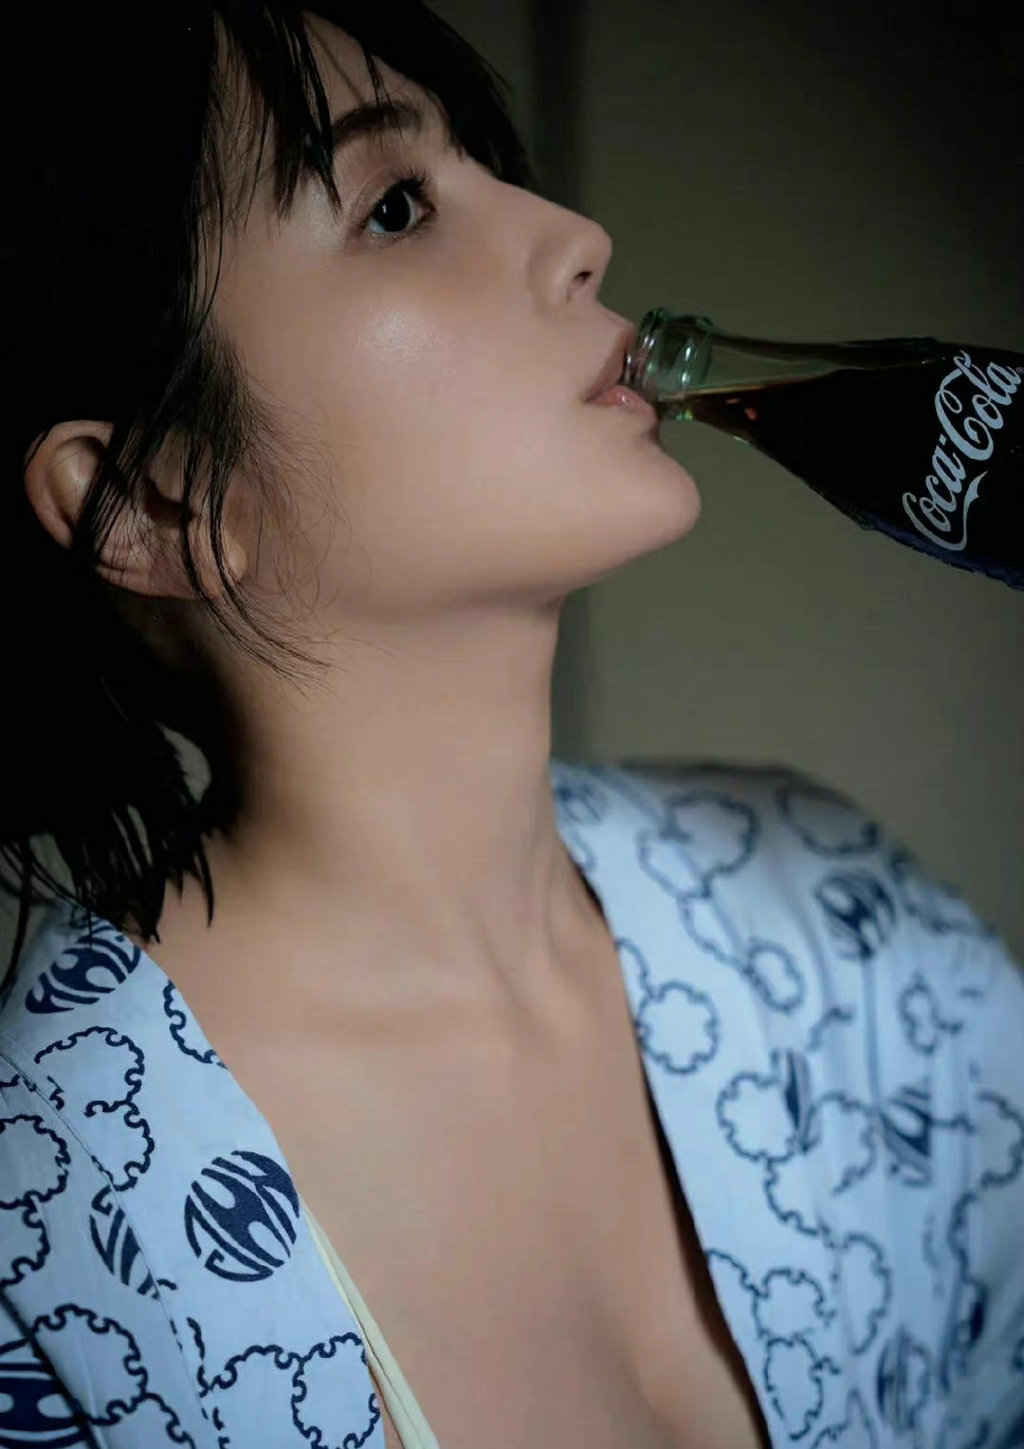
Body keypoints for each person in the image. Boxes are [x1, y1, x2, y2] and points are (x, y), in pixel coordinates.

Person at [0, 5, 1021, 1447]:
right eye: (396, 207)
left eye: (489, 166)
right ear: (153, 500)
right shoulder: (48, 1233)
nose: (579, 235)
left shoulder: (836, 919)